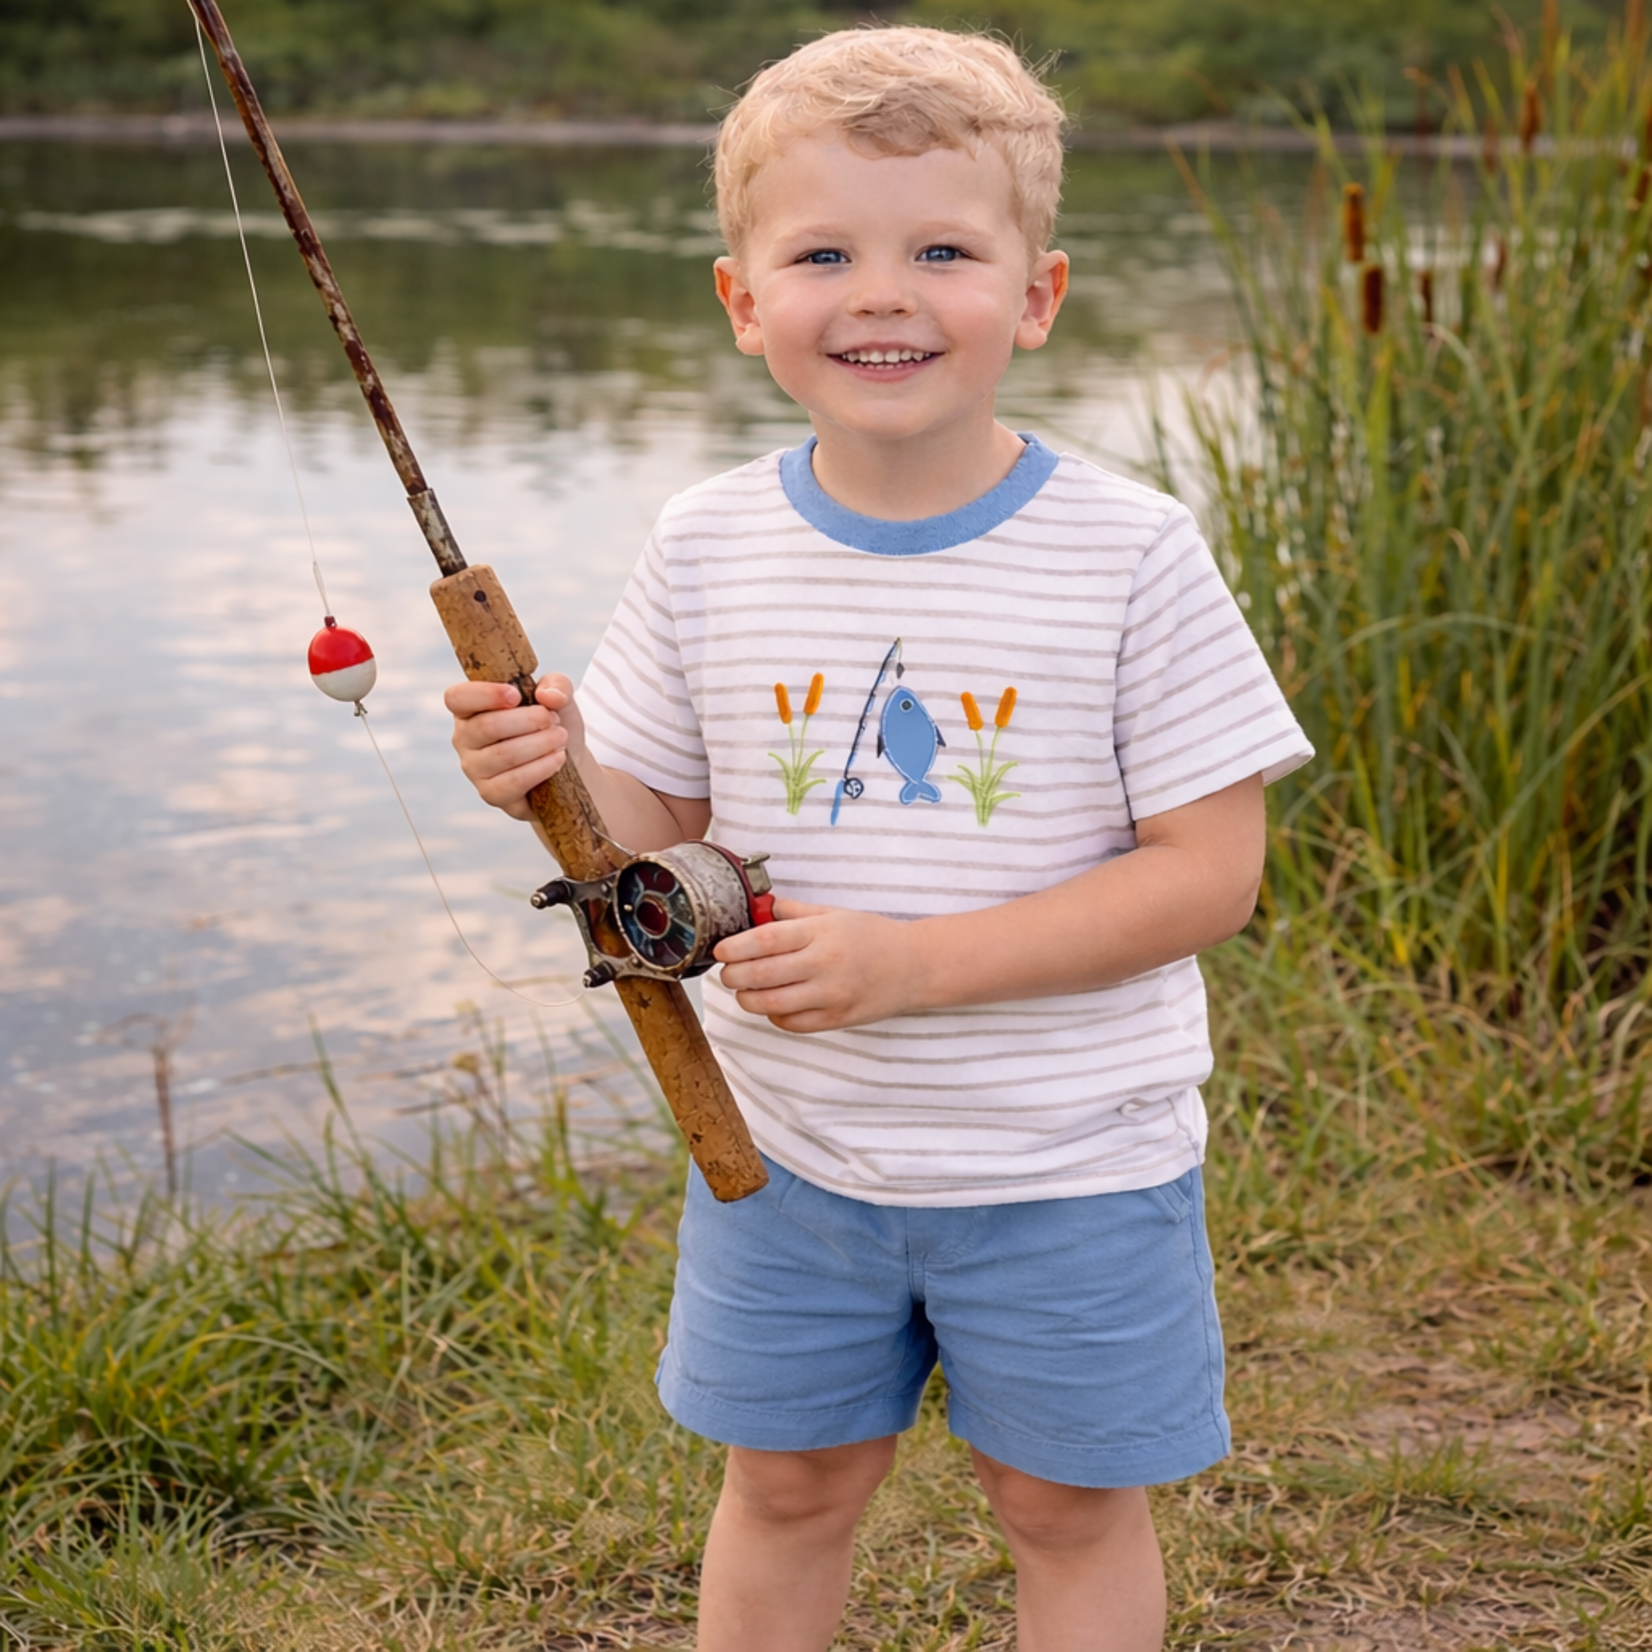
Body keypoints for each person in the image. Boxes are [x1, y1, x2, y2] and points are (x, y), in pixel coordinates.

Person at [446, 25, 1312, 1652]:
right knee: (787, 1492)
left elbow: (1213, 873)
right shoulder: (704, 542)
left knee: (1063, 1508)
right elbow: (642, 833)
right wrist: (541, 770)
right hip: (787, 1161)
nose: (883, 293)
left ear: (1038, 296)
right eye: (824, 251)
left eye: (943, 250)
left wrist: (913, 966)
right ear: (742, 300)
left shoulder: (1132, 552)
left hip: (1070, 1162)